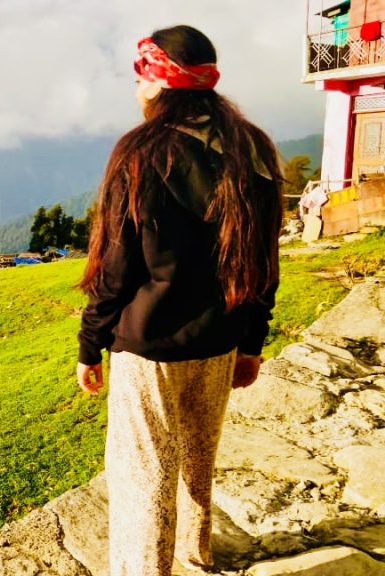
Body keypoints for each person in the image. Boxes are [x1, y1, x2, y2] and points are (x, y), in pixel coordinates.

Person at [75, 25, 282, 576]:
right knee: (196, 459)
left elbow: (116, 267)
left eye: (139, 72)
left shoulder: (142, 152)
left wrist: (89, 345)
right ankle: (196, 554)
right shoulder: (252, 147)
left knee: (144, 474)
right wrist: (252, 344)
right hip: (221, 339)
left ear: (156, 80)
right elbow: (265, 262)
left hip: (150, 348)